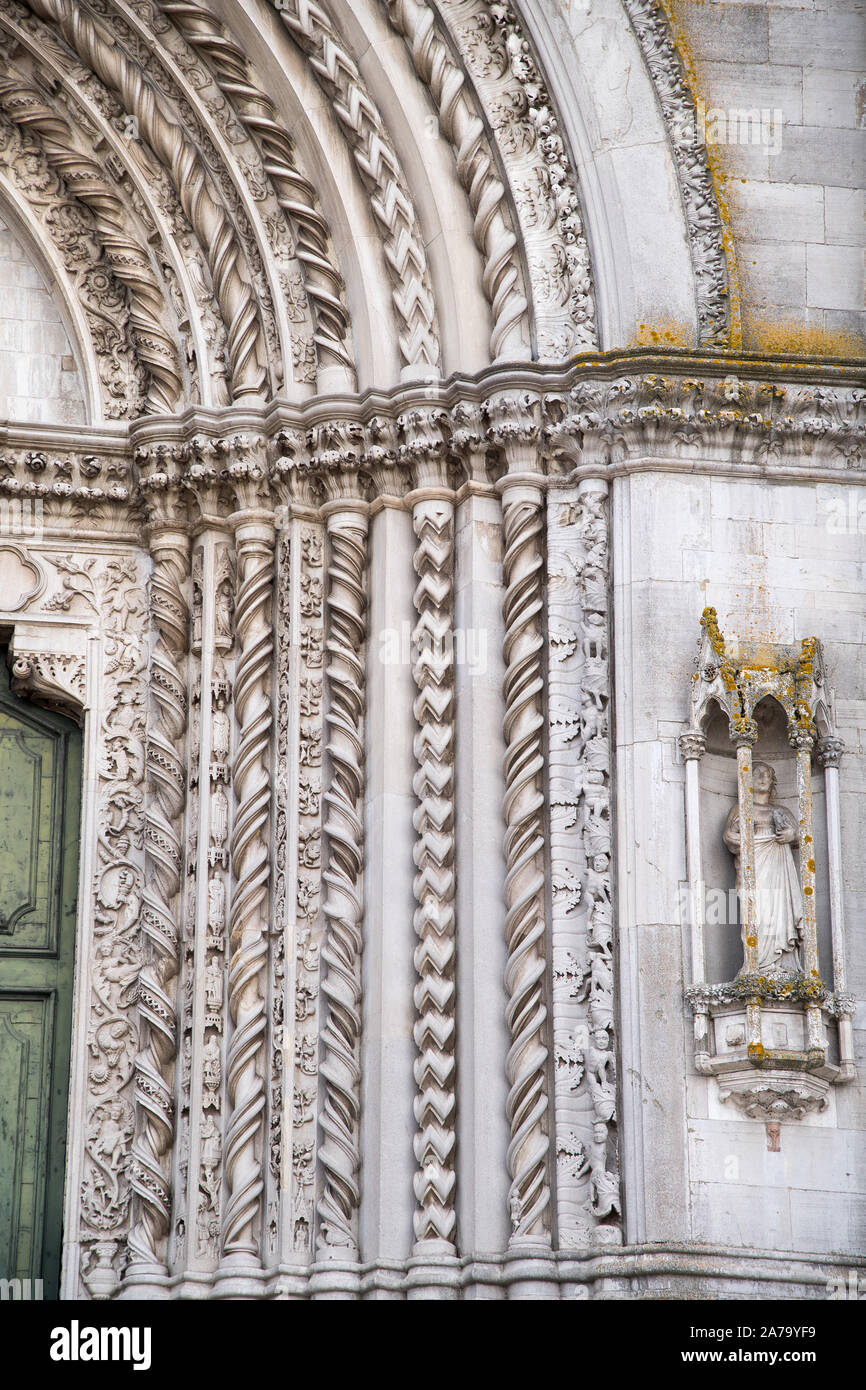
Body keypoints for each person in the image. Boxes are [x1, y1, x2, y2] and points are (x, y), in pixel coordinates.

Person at [723, 761, 803, 976]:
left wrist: (791, 835)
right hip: (756, 868)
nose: (762, 777)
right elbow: (729, 837)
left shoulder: (781, 811)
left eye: (766, 774)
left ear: (772, 781)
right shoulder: (740, 809)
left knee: (780, 913)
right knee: (758, 913)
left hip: (779, 867)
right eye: (756, 773)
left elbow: (800, 836)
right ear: (746, 781)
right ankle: (757, 964)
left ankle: (781, 963)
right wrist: (745, 837)